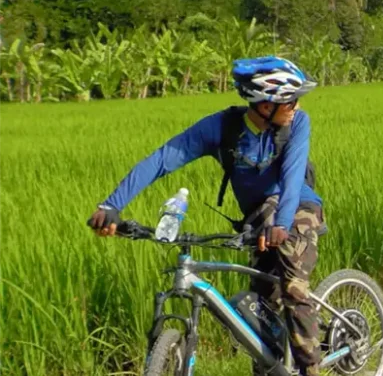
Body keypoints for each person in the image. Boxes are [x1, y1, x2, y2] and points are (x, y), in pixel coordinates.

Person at [85, 56, 326, 376]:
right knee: (260, 309)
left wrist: (282, 225)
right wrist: (111, 206)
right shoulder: (222, 129)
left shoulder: (298, 123)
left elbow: (294, 177)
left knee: (294, 286)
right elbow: (161, 159)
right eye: (289, 101)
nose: (296, 106)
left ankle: (312, 369)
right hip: (259, 218)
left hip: (297, 209)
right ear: (265, 106)